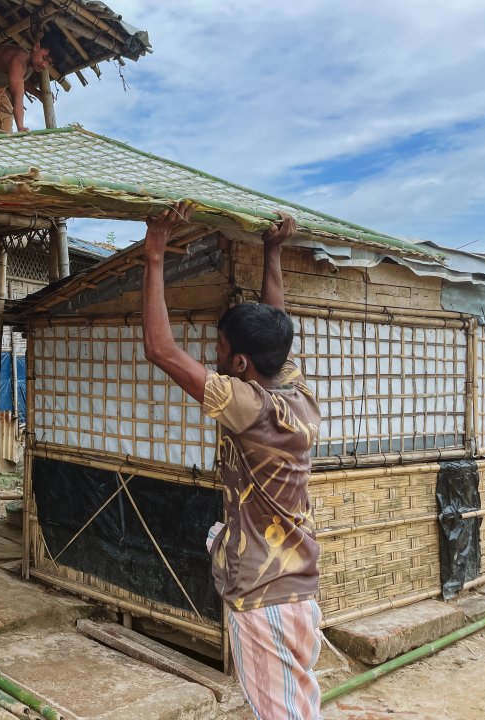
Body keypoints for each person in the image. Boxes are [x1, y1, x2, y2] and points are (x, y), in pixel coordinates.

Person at [141, 202, 323, 720]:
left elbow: (160, 350)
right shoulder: (295, 391)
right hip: (296, 588)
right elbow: (277, 319)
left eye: (220, 350)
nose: (215, 356)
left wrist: (154, 255)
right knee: (298, 706)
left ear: (240, 363)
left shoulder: (251, 408)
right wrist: (272, 251)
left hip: (265, 601)